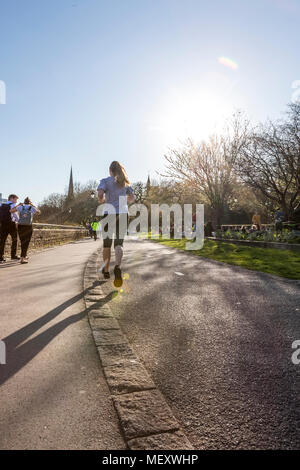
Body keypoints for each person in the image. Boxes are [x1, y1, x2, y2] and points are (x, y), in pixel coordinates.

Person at [97, 161, 135, 287]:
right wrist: (123, 201)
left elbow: (100, 194)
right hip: (123, 214)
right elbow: (132, 198)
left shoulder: (105, 181)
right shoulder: (125, 182)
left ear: (110, 170)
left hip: (109, 214)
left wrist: (102, 200)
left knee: (107, 244)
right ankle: (117, 267)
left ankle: (106, 271)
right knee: (119, 243)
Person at [11, 197, 40, 264]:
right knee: (26, 242)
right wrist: (33, 205)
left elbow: (11, 211)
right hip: (28, 226)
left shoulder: (20, 207)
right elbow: (39, 212)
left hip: (20, 226)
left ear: (24, 202)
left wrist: (18, 205)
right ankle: (22, 258)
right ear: (30, 202)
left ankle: (24, 255)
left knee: (22, 242)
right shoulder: (31, 207)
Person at [0, 194, 20, 263]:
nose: (16, 201)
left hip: (3, 224)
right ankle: (13, 255)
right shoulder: (13, 205)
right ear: (11, 198)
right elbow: (15, 215)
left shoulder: (2, 205)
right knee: (15, 240)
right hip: (11, 224)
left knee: (2, 241)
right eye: (16, 199)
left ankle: (1, 257)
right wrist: (19, 221)